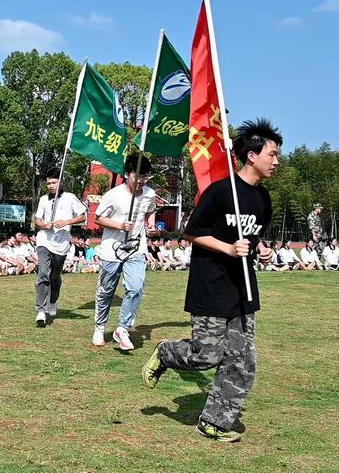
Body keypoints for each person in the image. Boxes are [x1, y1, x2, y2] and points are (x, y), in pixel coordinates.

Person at [142, 118, 282, 442]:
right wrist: (229, 249)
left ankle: (214, 422)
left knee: (243, 361)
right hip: (211, 286)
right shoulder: (220, 192)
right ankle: (165, 353)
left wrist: (261, 250)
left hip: (243, 290)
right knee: (206, 355)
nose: (275, 161)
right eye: (271, 154)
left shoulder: (263, 199)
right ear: (252, 155)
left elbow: (254, 237)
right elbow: (192, 232)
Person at [92, 153, 156, 350]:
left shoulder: (149, 194)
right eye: (137, 176)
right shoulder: (113, 195)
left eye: (145, 177)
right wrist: (119, 225)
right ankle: (100, 327)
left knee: (135, 288)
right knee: (106, 291)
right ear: (127, 174)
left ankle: (123, 328)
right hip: (111, 251)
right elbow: (98, 218)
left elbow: (150, 209)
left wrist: (150, 224)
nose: (141, 181)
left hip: (136, 250)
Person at [34, 167, 87, 327]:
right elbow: (37, 220)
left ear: (60, 181)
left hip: (62, 245)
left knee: (55, 277)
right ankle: (41, 311)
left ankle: (53, 301)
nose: (51, 186)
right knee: (43, 274)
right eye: (48, 183)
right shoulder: (43, 199)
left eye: (54, 182)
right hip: (44, 241)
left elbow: (83, 216)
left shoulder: (70, 198)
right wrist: (43, 224)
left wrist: (67, 222)